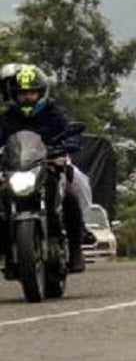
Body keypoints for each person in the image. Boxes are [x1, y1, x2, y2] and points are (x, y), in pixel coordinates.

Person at [0, 64, 94, 272]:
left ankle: (77, 243)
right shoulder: (8, 117)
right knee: (3, 199)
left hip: (52, 161)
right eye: (22, 94)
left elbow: (69, 131)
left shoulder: (53, 112)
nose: (27, 98)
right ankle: (7, 252)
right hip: (17, 167)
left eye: (31, 93)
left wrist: (68, 144)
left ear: (41, 93)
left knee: (76, 186)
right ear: (13, 95)